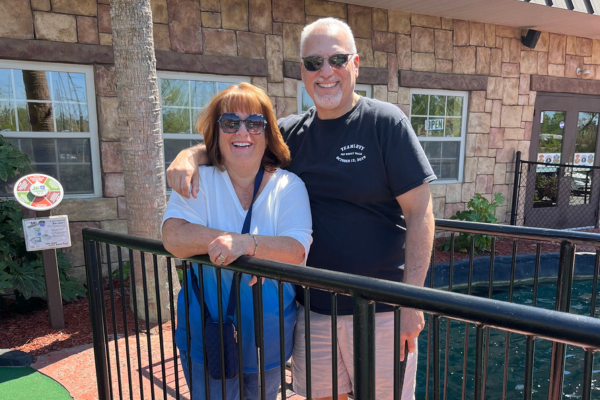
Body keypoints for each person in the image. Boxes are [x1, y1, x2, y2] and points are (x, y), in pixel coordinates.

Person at [166, 18, 436, 400]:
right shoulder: (291, 133)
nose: (325, 72)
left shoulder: (385, 123)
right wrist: (189, 155)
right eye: (313, 62)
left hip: (381, 310)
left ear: (355, 64)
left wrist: (412, 301)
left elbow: (421, 213)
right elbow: (240, 143)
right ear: (302, 72)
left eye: (337, 59)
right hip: (314, 309)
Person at [162, 82, 312, 400]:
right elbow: (173, 237)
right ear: (217, 132)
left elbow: (296, 250)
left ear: (268, 133)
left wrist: (246, 244)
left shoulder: (289, 186)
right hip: (207, 333)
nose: (242, 131)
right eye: (230, 122)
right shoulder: (199, 179)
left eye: (254, 123)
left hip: (267, 340)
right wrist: (230, 241)